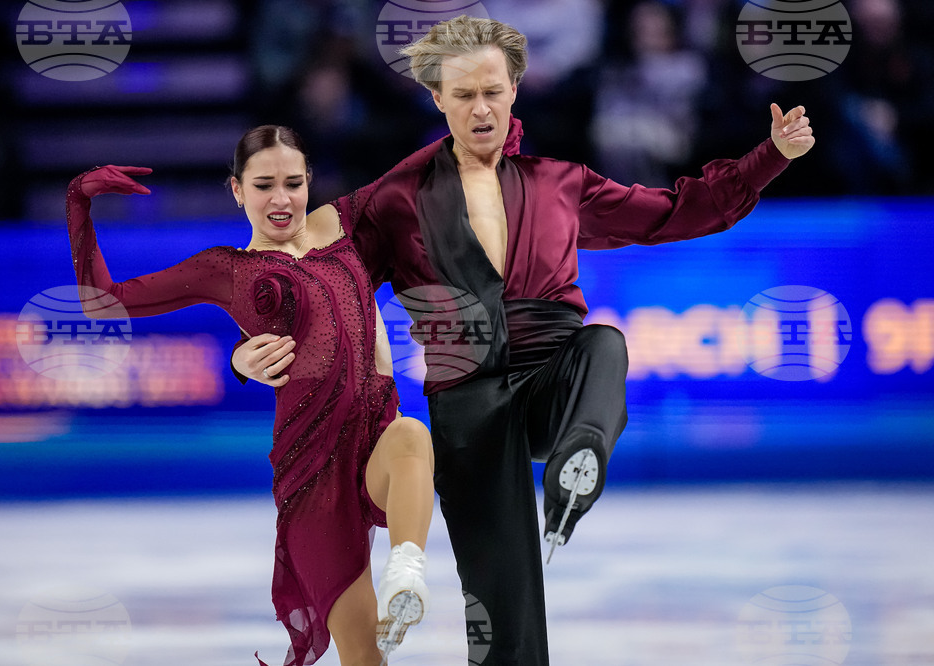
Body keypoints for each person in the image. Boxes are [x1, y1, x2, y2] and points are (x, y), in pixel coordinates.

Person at [233, 16, 815, 665]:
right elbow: (319, 280)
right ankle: (565, 482)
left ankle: (577, 465)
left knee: (603, 345)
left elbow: (676, 211)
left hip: (552, 384)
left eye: (492, 91)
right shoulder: (395, 198)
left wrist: (771, 158)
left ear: (514, 87)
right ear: (438, 99)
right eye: (463, 95)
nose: (480, 108)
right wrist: (251, 346)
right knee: (505, 628)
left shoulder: (561, 183)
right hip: (468, 413)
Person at [64, 125, 436, 666]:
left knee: (411, 436)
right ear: (236, 190)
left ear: (310, 181)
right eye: (263, 185)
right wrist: (78, 201)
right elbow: (104, 301)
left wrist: (490, 114)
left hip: (374, 438)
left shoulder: (339, 224)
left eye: (292, 182)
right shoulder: (225, 269)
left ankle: (407, 575)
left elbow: (422, 170)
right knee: (363, 655)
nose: (280, 199)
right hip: (312, 473)